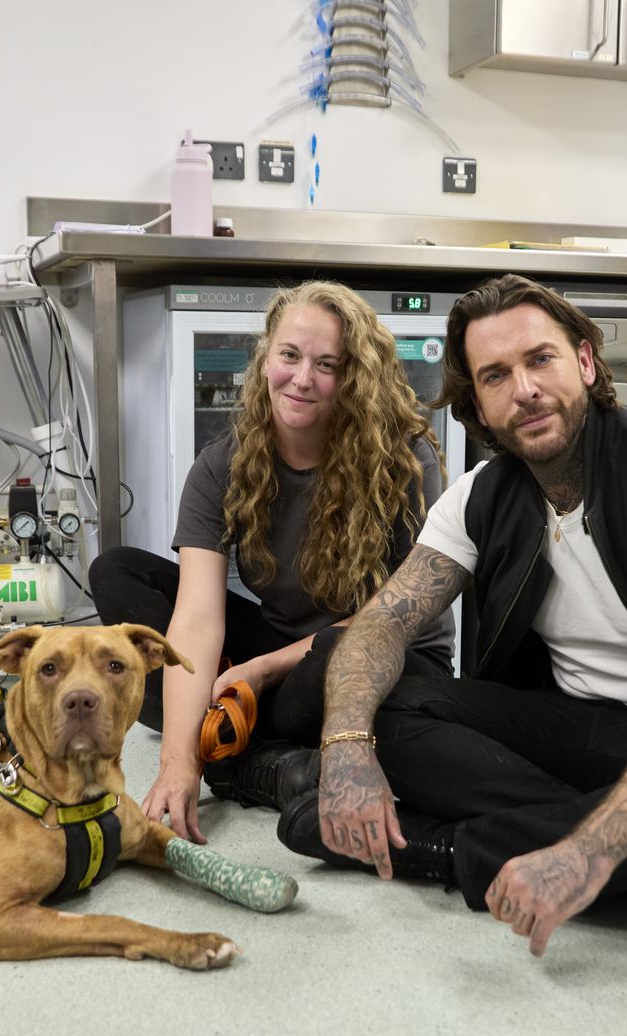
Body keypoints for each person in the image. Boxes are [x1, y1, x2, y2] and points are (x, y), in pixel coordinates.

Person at [278, 273, 627, 955]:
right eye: (495, 375)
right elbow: (383, 625)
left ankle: (446, 849)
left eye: (540, 359)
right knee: (382, 699)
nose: (524, 389)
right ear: (477, 408)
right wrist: (345, 749)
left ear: (584, 361)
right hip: (569, 724)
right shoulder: (480, 497)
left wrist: (588, 853)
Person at [89, 280, 455, 843]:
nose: (302, 378)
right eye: (289, 355)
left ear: (353, 376)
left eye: (327, 364)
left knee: (335, 654)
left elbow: (399, 615)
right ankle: (255, 755)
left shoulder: (404, 460)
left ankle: (242, 762)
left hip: (385, 658)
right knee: (116, 572)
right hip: (285, 648)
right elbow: (196, 619)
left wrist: (258, 672)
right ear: (265, 360)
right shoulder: (223, 465)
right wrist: (176, 765)